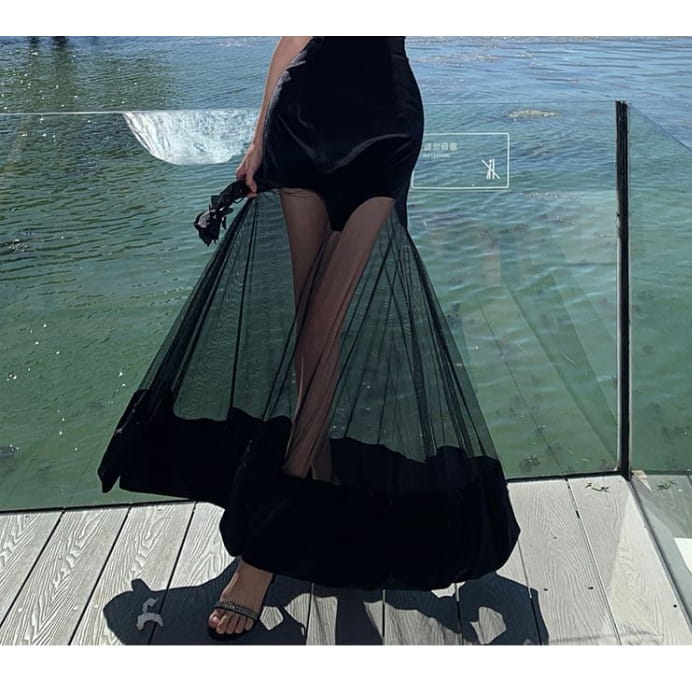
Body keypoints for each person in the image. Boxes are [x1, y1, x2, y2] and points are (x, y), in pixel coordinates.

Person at [97, 36, 521, 642]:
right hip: (305, 117)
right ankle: (313, 492)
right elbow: (294, 32)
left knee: (324, 329)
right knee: (309, 333)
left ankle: (263, 554)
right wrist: (258, 139)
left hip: (382, 126)